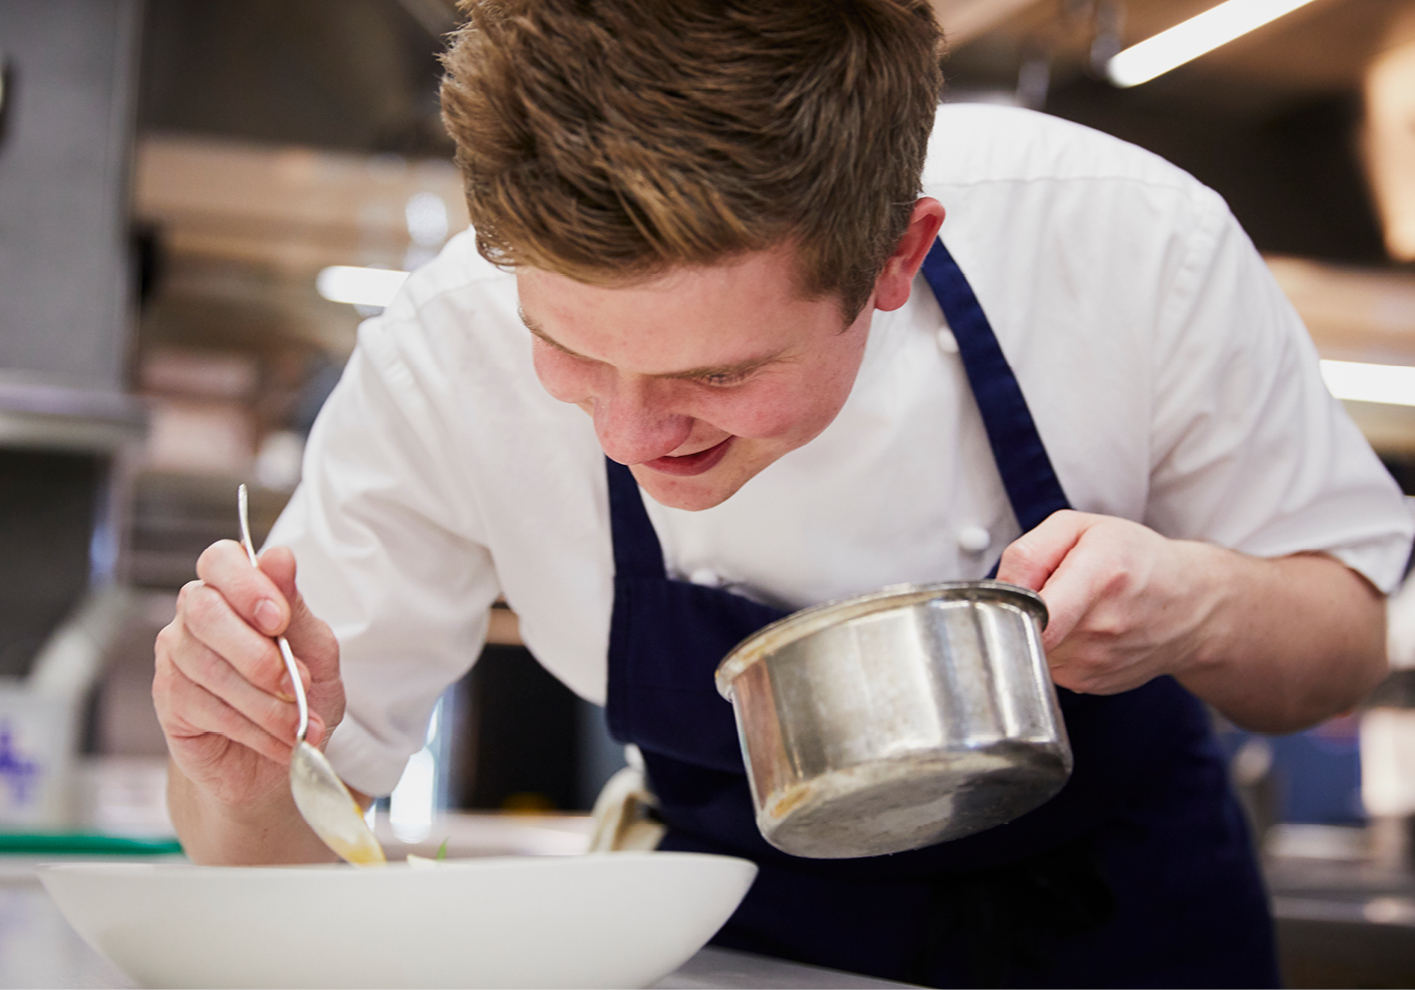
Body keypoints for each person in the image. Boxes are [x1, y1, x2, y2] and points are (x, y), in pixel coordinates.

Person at [153, 1, 1413, 985]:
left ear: (893, 256)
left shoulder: (1125, 241)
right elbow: (278, 870)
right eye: (574, 353)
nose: (635, 431)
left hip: (1130, 925)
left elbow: (1338, 654)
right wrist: (241, 770)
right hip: (733, 948)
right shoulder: (440, 357)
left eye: (720, 370)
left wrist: (1197, 607)